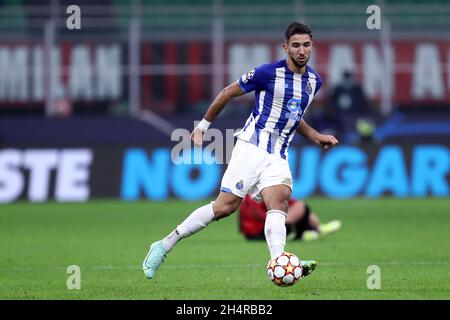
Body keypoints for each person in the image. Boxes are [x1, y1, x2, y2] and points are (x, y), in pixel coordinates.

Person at [142, 22, 339, 280]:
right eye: (296, 45)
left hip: (278, 154)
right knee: (224, 208)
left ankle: (279, 263)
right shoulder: (267, 73)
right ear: (285, 48)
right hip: (251, 147)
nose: (302, 50)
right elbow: (226, 93)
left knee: (278, 203)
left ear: (311, 46)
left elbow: (292, 116)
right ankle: (164, 244)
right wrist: (203, 126)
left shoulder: (314, 81)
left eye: (306, 45)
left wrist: (314, 135)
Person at [239, 194, 342, 242]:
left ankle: (316, 229)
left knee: (299, 207)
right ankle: (310, 231)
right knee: (300, 206)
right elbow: (256, 214)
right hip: (260, 232)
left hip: (255, 233)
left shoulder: (257, 190)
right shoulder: (257, 193)